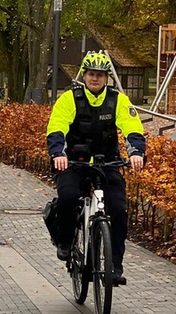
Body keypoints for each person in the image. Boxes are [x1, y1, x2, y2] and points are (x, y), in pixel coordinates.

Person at [46, 51, 146, 286]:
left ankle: (115, 265)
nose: (95, 79)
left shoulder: (118, 100)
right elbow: (57, 126)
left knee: (119, 209)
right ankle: (66, 240)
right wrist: (58, 153)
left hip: (107, 163)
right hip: (73, 163)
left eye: (100, 75)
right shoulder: (70, 98)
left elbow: (132, 126)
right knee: (69, 197)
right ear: (84, 75)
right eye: (91, 74)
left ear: (106, 77)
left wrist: (136, 153)